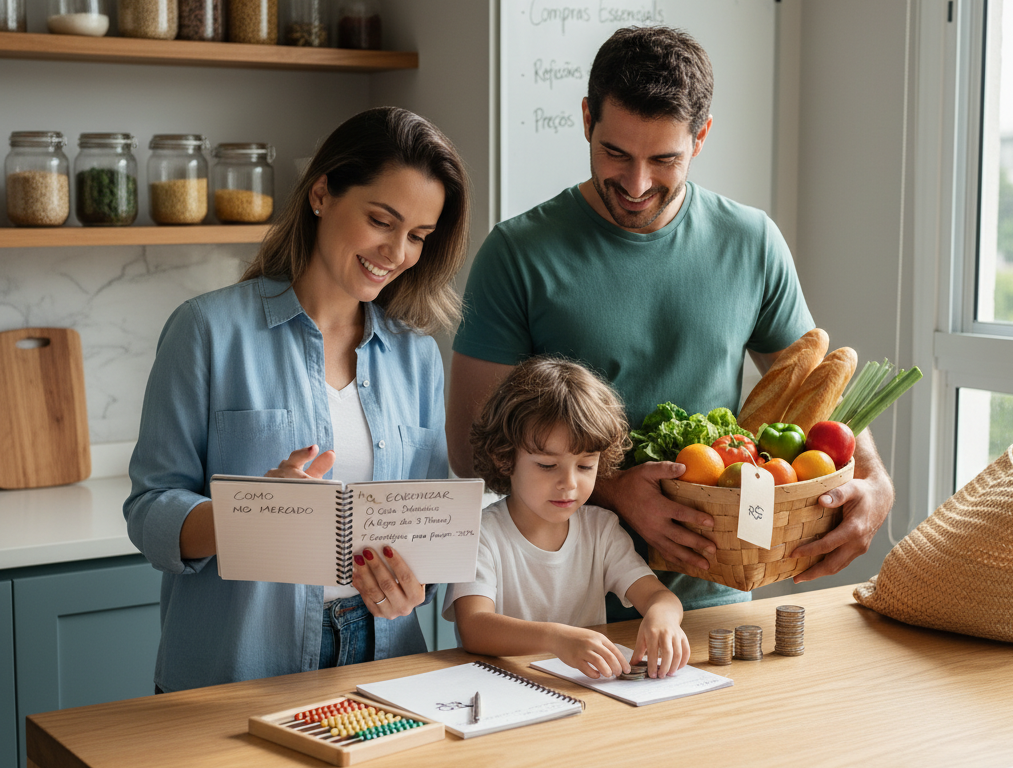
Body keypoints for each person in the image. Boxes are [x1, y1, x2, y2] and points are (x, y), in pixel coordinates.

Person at [446, 26, 895, 620]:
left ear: (701, 137)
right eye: (615, 153)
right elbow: (469, 448)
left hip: (720, 594)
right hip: (563, 610)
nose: (636, 185)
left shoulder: (751, 241)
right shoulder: (517, 253)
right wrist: (613, 488)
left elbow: (819, 388)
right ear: (587, 119)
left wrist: (875, 481)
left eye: (664, 160)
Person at [124, 106, 471, 692]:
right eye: (381, 221)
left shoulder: (418, 356)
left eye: (418, 236)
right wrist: (250, 514)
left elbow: (427, 529)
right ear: (321, 193)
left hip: (382, 662)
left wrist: (416, 585)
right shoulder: (207, 331)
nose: (397, 252)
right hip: (239, 666)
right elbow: (149, 512)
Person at [443, 357, 689, 678]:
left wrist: (662, 619)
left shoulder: (601, 530)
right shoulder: (480, 533)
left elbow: (658, 596)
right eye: (547, 465)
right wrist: (556, 638)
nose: (570, 483)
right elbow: (475, 626)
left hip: (583, 692)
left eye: (586, 466)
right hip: (499, 691)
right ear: (504, 457)